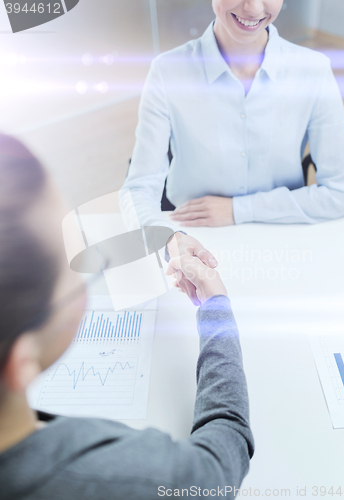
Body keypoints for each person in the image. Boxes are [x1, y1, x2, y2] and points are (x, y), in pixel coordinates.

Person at [0, 134, 254, 500]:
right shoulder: (125, 476)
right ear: (20, 362)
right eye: (70, 274)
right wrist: (216, 310)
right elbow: (217, 467)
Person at [121, 0, 344, 289]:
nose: (254, 8)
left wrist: (239, 209)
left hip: (286, 238)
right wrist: (170, 240)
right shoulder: (167, 72)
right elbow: (138, 188)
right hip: (194, 239)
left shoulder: (313, 70)